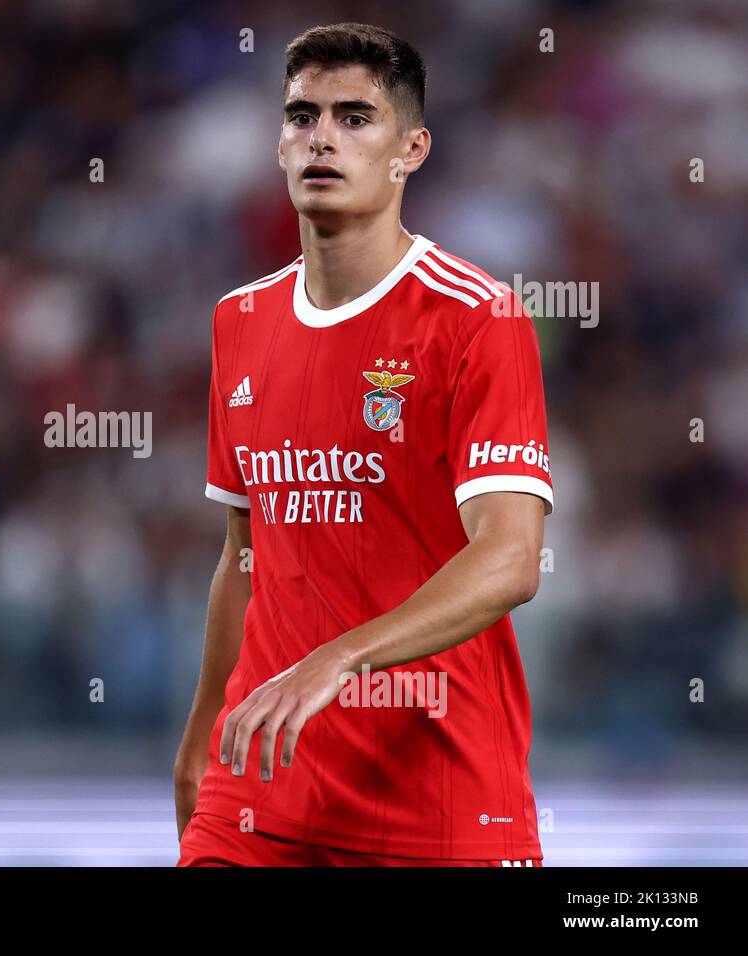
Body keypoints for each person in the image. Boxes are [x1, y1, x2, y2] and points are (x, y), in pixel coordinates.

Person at [174, 22, 553, 867]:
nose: (321, 138)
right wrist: (203, 733)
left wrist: (334, 661)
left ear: (411, 149)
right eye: (302, 116)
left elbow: (512, 557)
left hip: (434, 806)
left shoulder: (478, 319)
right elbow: (244, 555)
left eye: (354, 118)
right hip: (259, 797)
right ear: (277, 143)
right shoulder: (238, 322)